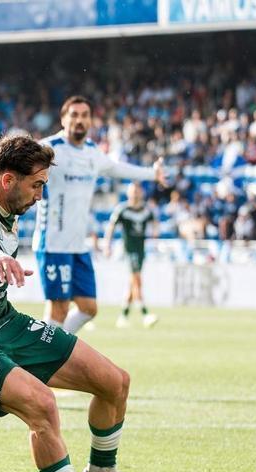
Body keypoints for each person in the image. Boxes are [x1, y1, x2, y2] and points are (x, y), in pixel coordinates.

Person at [0, 134, 154, 472]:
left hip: (5, 322)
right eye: (36, 185)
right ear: (8, 180)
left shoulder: (3, 195)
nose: (40, 195)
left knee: (115, 383)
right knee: (43, 407)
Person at [34, 95, 165, 335]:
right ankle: (44, 353)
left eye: (84, 115)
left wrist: (151, 174)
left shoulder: (93, 152)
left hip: (78, 246)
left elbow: (118, 169)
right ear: (63, 119)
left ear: (91, 121)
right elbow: (14, 164)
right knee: (59, 309)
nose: (79, 120)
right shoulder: (49, 148)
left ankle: (49, 346)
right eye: (74, 115)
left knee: (88, 308)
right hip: (53, 243)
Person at [103, 182, 160, 329]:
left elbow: (155, 223)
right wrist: (107, 245)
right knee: (137, 280)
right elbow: (111, 226)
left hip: (141, 250)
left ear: (141, 193)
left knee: (132, 283)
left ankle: (123, 316)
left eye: (137, 191)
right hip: (129, 249)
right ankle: (145, 313)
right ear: (128, 193)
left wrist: (155, 235)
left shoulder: (146, 210)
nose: (135, 194)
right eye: (133, 191)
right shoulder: (122, 209)